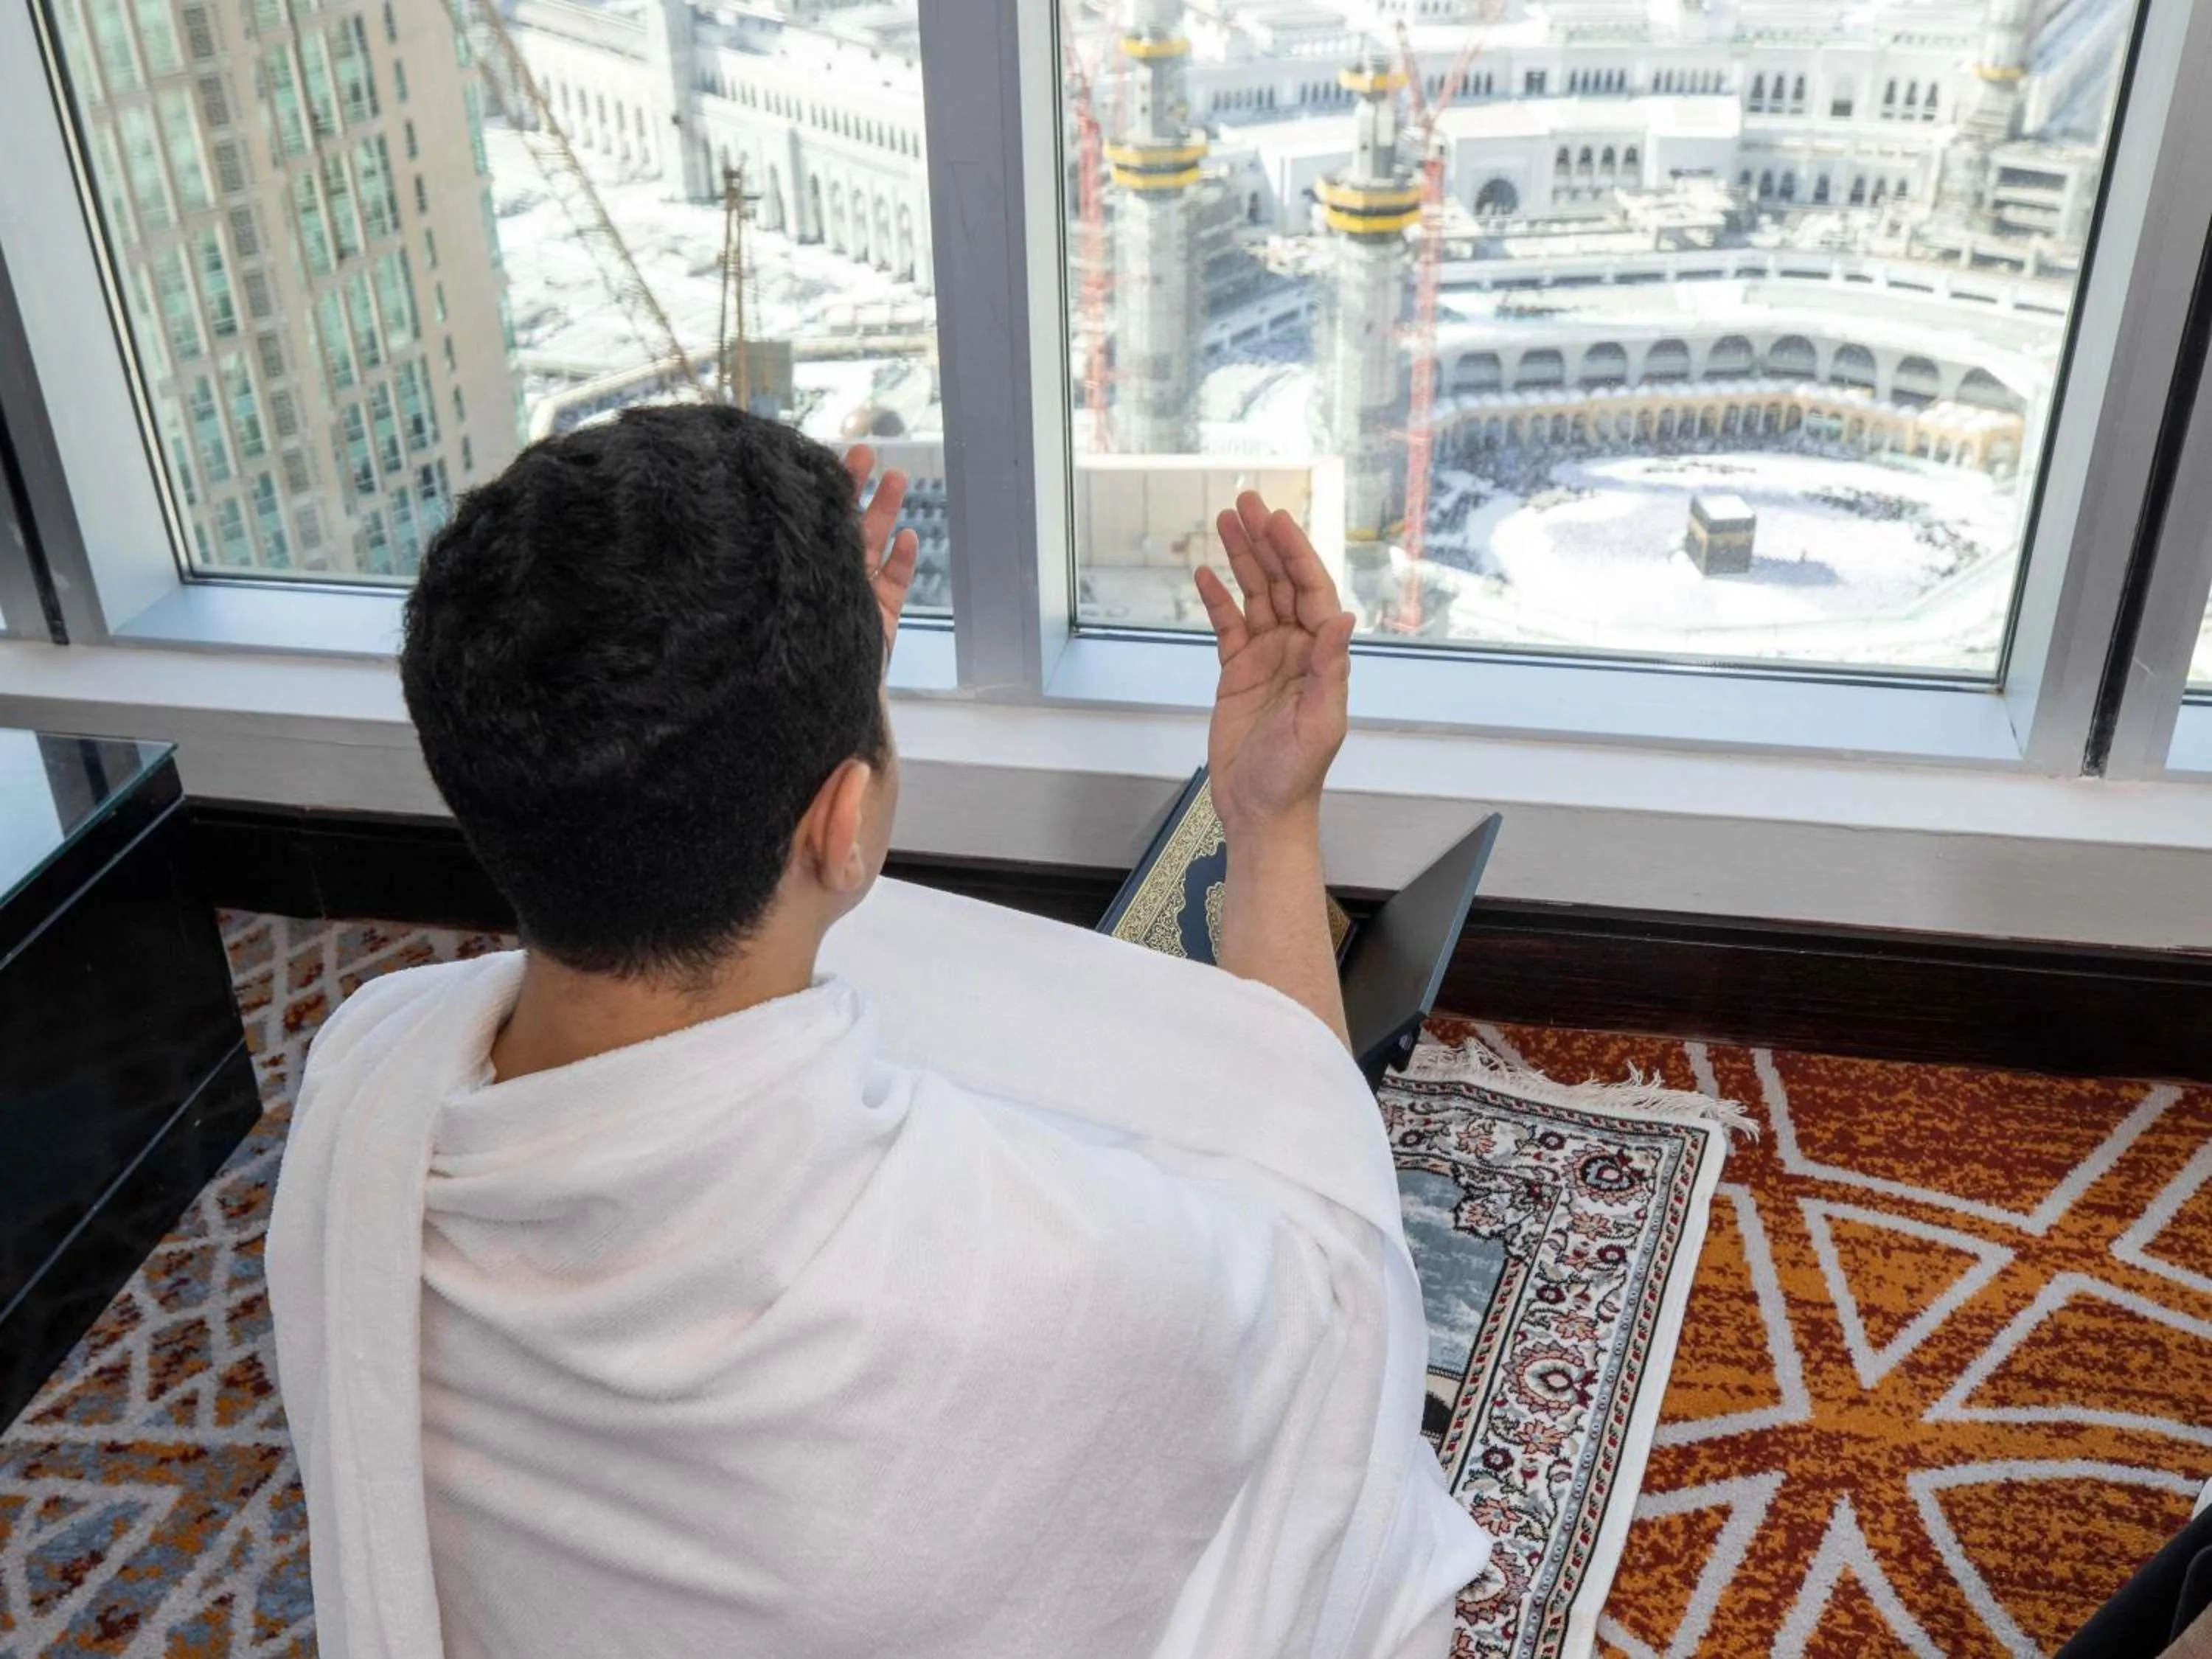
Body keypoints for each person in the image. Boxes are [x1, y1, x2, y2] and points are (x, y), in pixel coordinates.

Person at [267, 405, 1489, 1659]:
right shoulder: (1049, 1270)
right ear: (844, 824)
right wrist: (1270, 819)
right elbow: (1330, 1289)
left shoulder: (364, 1070)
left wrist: (782, 714)